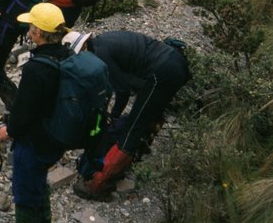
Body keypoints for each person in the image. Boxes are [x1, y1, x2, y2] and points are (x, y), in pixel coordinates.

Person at [64, 30, 191, 201]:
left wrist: (114, 116)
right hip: (174, 63)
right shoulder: (105, 41)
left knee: (132, 128)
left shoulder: (100, 54)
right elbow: (129, 84)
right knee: (148, 114)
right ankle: (139, 151)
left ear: (83, 47)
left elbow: (122, 90)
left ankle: (98, 185)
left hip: (162, 72)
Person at [0, 2, 70, 223]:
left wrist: (9, 130)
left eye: (31, 26)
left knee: (25, 188)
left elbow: (24, 110)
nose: (28, 29)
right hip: (56, 136)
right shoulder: (67, 56)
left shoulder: (37, 69)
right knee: (39, 182)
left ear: (38, 32)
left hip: (35, 140)